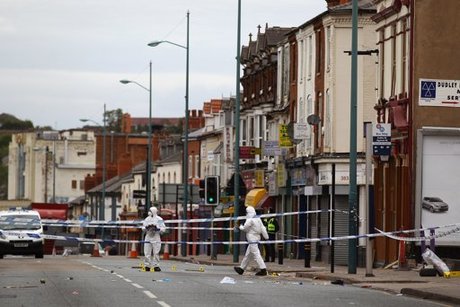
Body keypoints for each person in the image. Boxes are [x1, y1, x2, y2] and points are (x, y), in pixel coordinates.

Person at [234, 206, 269, 276]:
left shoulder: (250, 219)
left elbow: (245, 229)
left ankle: (263, 269)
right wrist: (266, 236)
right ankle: (241, 269)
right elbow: (263, 228)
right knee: (248, 255)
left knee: (256, 254)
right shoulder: (258, 218)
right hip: (257, 237)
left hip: (251, 238)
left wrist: (240, 226)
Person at [142, 206, 166, 272]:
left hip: (156, 236)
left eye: (150, 211)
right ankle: (147, 266)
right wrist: (146, 228)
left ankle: (156, 266)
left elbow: (163, 228)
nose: (149, 212)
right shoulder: (147, 219)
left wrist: (157, 228)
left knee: (156, 252)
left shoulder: (159, 219)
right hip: (148, 236)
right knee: (147, 252)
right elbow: (143, 227)